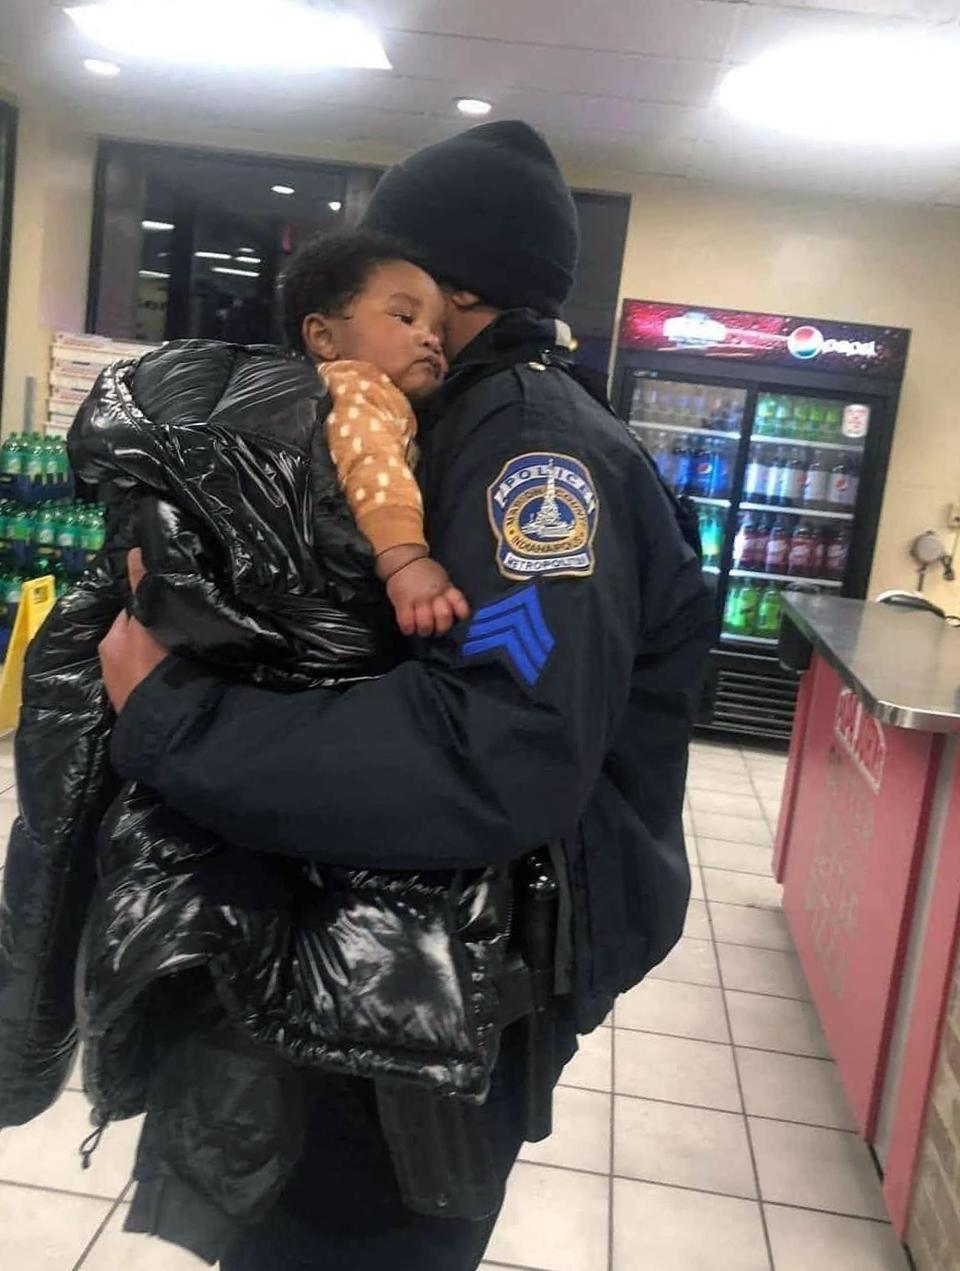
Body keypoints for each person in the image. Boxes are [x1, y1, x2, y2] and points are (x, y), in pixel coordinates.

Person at [98, 120, 715, 1270]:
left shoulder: (530, 449)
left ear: (455, 288)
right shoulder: (459, 425)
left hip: (455, 984)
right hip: (420, 953)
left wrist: (178, 715)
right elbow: (508, 649)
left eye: (392, 282)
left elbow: (499, 726)